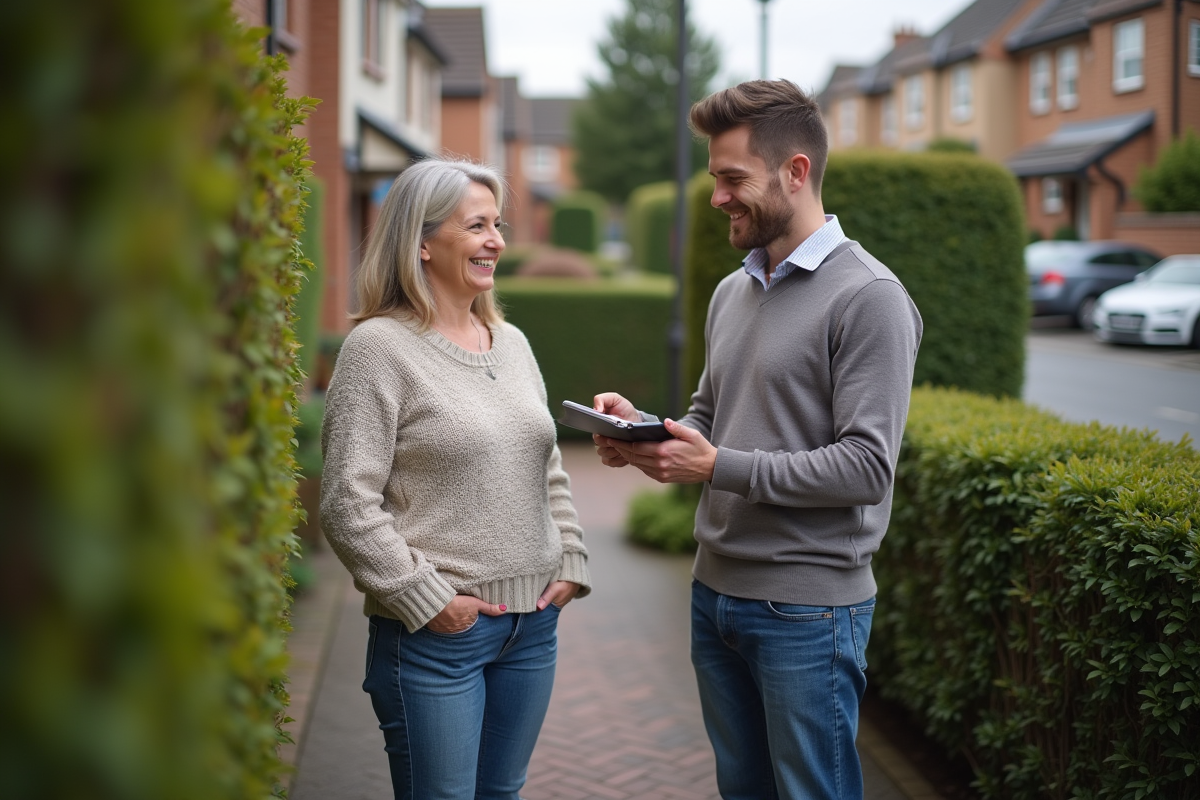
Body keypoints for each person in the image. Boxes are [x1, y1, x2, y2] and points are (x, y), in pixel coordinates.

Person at [593, 80, 922, 800]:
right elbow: (713, 414)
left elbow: (867, 467)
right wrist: (651, 436)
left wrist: (718, 465)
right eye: (715, 179)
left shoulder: (870, 298)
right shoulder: (732, 290)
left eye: (732, 178)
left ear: (795, 172)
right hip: (715, 592)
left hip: (807, 608)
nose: (717, 197)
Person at [319, 158, 590, 800]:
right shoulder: (378, 349)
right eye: (476, 226)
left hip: (533, 629)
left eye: (498, 224)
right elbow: (346, 504)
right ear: (420, 239)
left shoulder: (512, 340)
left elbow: (544, 463)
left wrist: (570, 556)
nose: (496, 239)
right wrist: (426, 599)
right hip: (436, 639)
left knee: (502, 793)